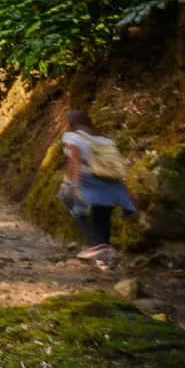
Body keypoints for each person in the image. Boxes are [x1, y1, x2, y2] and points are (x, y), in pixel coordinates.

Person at [60, 110, 138, 269]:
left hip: (88, 179)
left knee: (72, 205)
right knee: (102, 217)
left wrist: (72, 185)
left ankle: (95, 244)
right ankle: (105, 261)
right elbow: (114, 165)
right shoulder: (106, 140)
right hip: (110, 181)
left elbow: (73, 162)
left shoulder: (72, 137)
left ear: (72, 124)